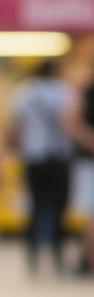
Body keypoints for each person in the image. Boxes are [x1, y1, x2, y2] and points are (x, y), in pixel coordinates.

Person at [8, 59, 72, 277]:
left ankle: (33, 257)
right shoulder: (65, 91)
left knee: (34, 206)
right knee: (59, 208)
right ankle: (57, 257)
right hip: (60, 157)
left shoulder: (24, 92)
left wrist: (12, 147)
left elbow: (14, 126)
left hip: (33, 156)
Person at [65, 59, 94, 275]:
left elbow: (69, 121)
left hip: (87, 158)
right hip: (87, 159)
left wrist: (88, 140)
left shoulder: (84, 89)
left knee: (90, 214)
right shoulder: (84, 89)